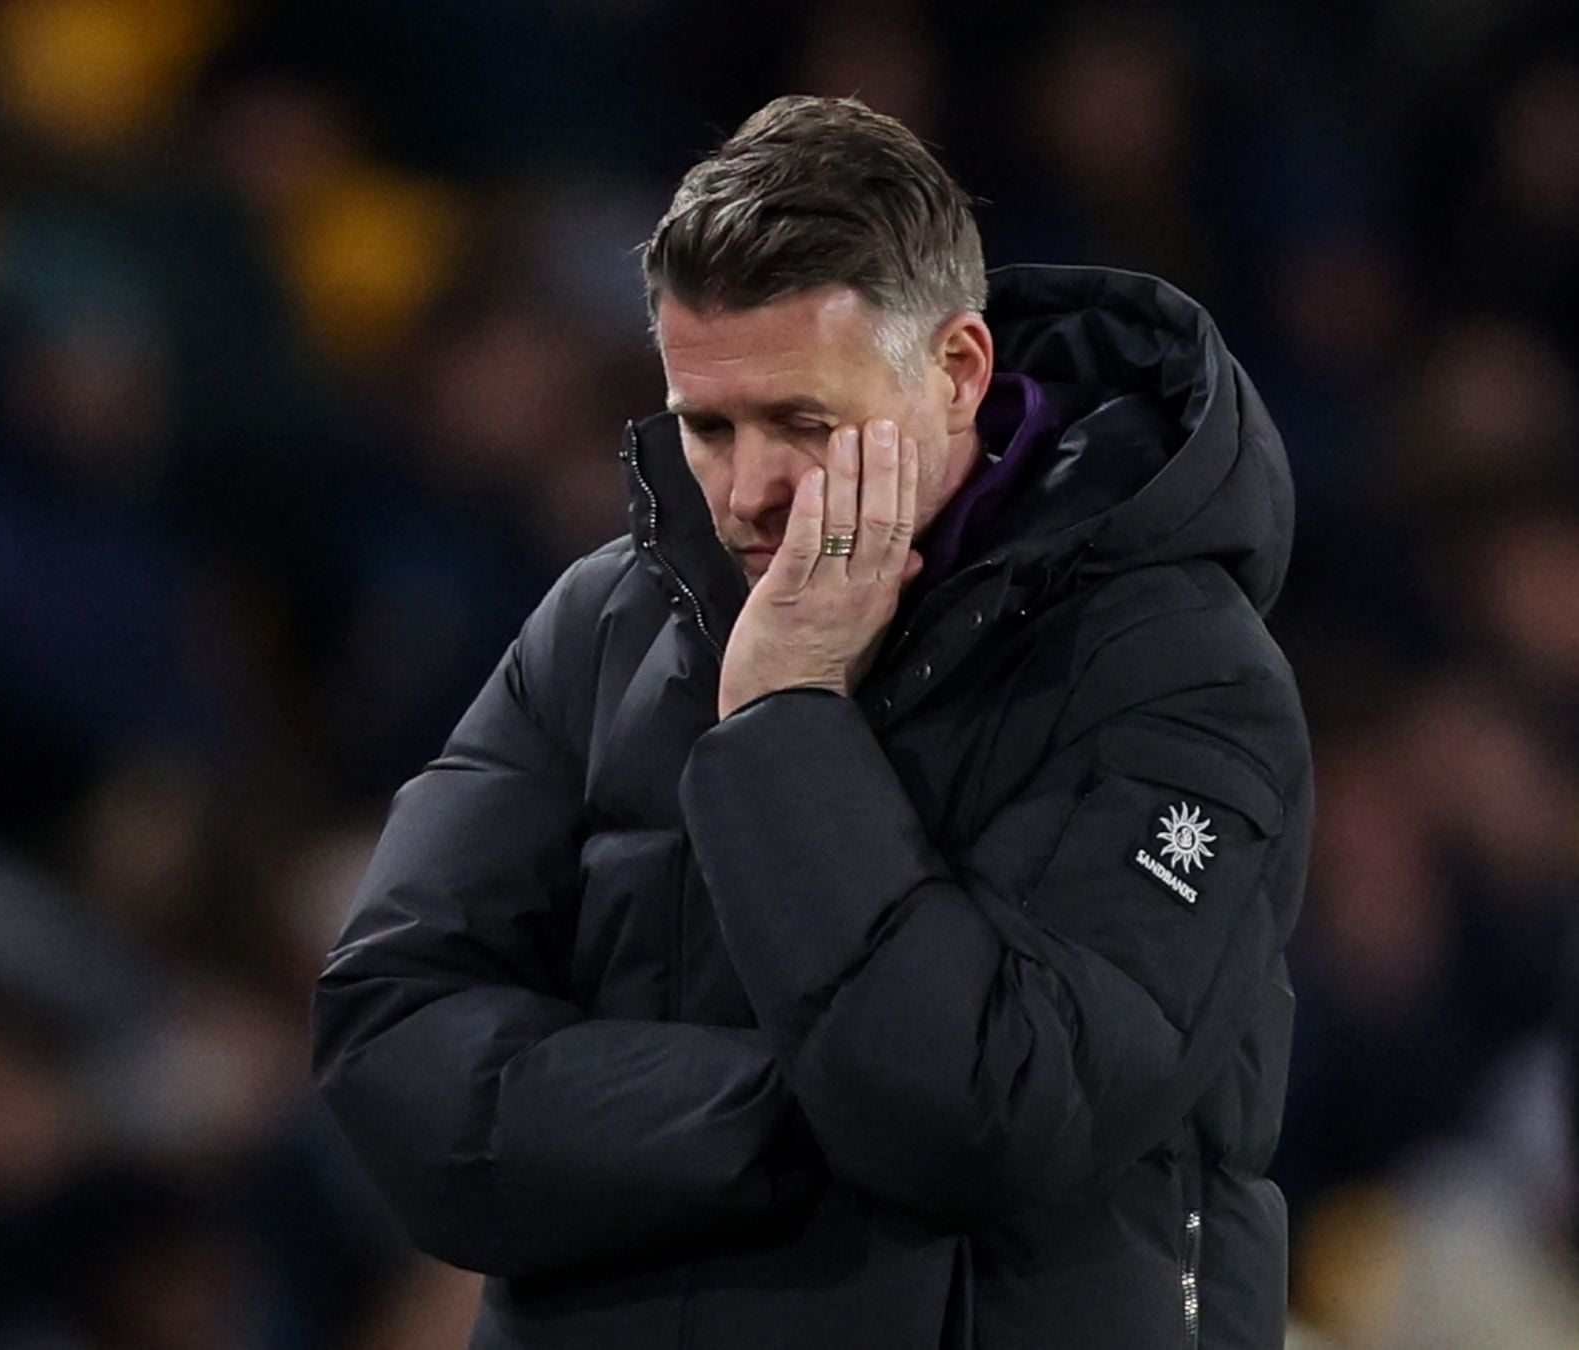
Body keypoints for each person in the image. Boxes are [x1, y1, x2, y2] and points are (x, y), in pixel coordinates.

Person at [313, 95, 1312, 1350]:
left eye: (803, 425)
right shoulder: (601, 624)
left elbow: (992, 1113)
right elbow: (390, 1046)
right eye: (706, 427)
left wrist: (785, 714)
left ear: (957, 370)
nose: (746, 491)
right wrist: (793, 1113)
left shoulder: (1175, 671)